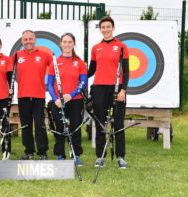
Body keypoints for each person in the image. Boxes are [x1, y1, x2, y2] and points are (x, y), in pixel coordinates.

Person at [88, 16, 129, 169]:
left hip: (116, 89)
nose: (105, 29)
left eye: (108, 26)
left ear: (113, 28)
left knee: (118, 123)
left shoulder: (122, 47)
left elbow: (126, 71)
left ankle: (120, 157)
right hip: (99, 89)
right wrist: (76, 76)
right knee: (100, 123)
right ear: (100, 29)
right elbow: (91, 71)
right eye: (103, 27)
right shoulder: (95, 48)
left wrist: (123, 90)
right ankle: (100, 157)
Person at [10, 30, 52, 160]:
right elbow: (7, 71)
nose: (28, 41)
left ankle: (42, 152)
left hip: (39, 96)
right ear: (22, 42)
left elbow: (57, 68)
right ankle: (29, 151)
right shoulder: (17, 55)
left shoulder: (45, 55)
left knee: (40, 124)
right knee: (26, 125)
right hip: (23, 96)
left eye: (30, 39)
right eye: (25, 39)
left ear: (35, 40)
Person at [47, 33, 87, 166]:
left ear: (73, 44)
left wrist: (71, 95)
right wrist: (55, 99)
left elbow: (83, 83)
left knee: (75, 127)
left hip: (75, 100)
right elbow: (49, 84)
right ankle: (60, 154)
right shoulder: (55, 62)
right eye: (65, 42)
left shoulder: (80, 62)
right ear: (61, 44)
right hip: (58, 102)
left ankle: (76, 155)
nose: (67, 44)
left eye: (70, 42)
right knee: (60, 127)